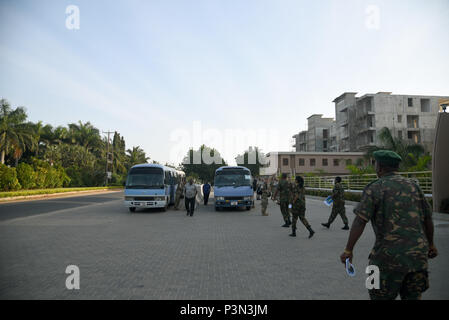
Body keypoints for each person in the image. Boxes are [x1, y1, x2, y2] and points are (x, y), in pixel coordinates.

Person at [340, 150, 438, 300]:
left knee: (375, 293)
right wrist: (431, 245)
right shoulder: (414, 186)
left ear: (380, 167)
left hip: (385, 260)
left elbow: (360, 220)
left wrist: (348, 250)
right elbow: (427, 219)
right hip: (417, 259)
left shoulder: (374, 187)